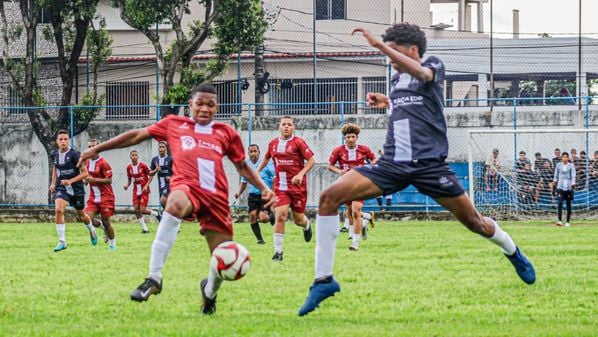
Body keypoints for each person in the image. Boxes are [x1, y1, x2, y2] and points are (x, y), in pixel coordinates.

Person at [298, 24, 536, 316]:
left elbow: (422, 76)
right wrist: (385, 100)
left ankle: (513, 252)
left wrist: (378, 45)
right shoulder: (396, 80)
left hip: (429, 166)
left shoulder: (432, 64)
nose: (390, 59)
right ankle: (323, 280)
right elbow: (407, 106)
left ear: (412, 50)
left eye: (394, 52)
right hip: (392, 164)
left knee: (475, 222)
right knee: (328, 198)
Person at [78, 83, 274, 315]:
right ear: (190, 105)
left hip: (216, 198)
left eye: (210, 105)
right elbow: (137, 135)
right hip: (187, 187)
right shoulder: (174, 124)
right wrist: (96, 149)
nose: (204, 108)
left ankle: (209, 292)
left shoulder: (226, 133)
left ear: (217, 107)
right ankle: (154, 277)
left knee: (222, 255)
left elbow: (242, 166)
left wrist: (263, 187)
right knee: (175, 203)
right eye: (199, 103)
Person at [257, 116, 315, 262]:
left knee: (298, 220)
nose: (286, 127)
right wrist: (257, 171)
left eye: (289, 124)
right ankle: (278, 252)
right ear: (279, 127)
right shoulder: (273, 144)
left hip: (297, 187)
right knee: (280, 215)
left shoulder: (298, 143)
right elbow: (266, 157)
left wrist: (301, 174)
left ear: (293, 128)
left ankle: (306, 225)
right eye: (284, 124)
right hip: (281, 187)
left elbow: (311, 160)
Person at [328, 123, 376, 251]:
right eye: (348, 137)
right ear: (344, 138)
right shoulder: (339, 150)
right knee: (349, 212)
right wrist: (339, 171)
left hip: (360, 185)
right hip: (346, 185)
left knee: (355, 211)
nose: (350, 139)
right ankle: (364, 223)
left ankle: (355, 244)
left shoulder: (364, 149)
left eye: (352, 137)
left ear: (357, 137)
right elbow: (330, 165)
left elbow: (374, 160)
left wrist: (370, 169)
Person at [49, 130, 98, 251]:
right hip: (62, 188)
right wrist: (53, 183)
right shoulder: (54, 154)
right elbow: (55, 167)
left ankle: (91, 229)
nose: (63, 141)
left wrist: (70, 181)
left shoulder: (75, 155)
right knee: (58, 209)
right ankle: (62, 241)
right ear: (57, 141)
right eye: (61, 139)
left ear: (69, 140)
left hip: (77, 189)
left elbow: (85, 173)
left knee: (81, 215)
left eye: (65, 139)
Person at [234, 144, 276, 244]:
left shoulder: (266, 164)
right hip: (253, 195)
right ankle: (260, 240)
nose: (253, 153)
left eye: (255, 151)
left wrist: (273, 191)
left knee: (264, 219)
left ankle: (271, 215)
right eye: (251, 151)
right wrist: (239, 192)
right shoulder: (247, 166)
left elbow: (275, 178)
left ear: (259, 152)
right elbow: (244, 182)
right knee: (252, 217)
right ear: (248, 153)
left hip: (265, 194)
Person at [84, 139, 117, 251]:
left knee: (106, 221)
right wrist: (86, 180)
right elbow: (86, 175)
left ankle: (112, 245)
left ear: (99, 148)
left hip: (106, 197)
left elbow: (109, 180)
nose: (91, 149)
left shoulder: (103, 163)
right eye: (89, 146)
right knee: (86, 218)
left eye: (93, 146)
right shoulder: (87, 162)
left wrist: (93, 179)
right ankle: (102, 229)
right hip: (93, 197)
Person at [124, 150, 160, 233]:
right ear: (130, 157)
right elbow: (129, 179)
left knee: (142, 210)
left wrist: (155, 171)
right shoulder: (129, 167)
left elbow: (150, 173)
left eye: (136, 155)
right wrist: (127, 185)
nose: (134, 156)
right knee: (136, 210)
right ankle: (145, 229)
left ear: (138, 156)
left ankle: (156, 213)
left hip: (144, 190)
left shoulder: (142, 165)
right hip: (136, 191)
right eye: (132, 155)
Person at [552, 152, 575, 227]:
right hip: (560, 186)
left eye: (566, 157)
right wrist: (555, 181)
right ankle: (560, 220)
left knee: (568, 204)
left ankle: (568, 221)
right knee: (560, 203)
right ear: (561, 158)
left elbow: (573, 175)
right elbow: (556, 174)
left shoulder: (571, 166)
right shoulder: (558, 165)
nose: (565, 158)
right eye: (563, 157)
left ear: (568, 158)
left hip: (568, 187)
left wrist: (573, 183)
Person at [150, 141, 173, 208]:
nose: (161, 149)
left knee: (164, 200)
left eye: (163, 147)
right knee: (163, 203)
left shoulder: (170, 159)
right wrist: (155, 170)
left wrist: (171, 178)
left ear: (166, 149)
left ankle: (169, 215)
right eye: (160, 147)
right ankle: (171, 216)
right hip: (160, 185)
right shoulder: (155, 159)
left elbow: (177, 172)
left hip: (169, 184)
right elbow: (150, 173)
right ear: (158, 148)